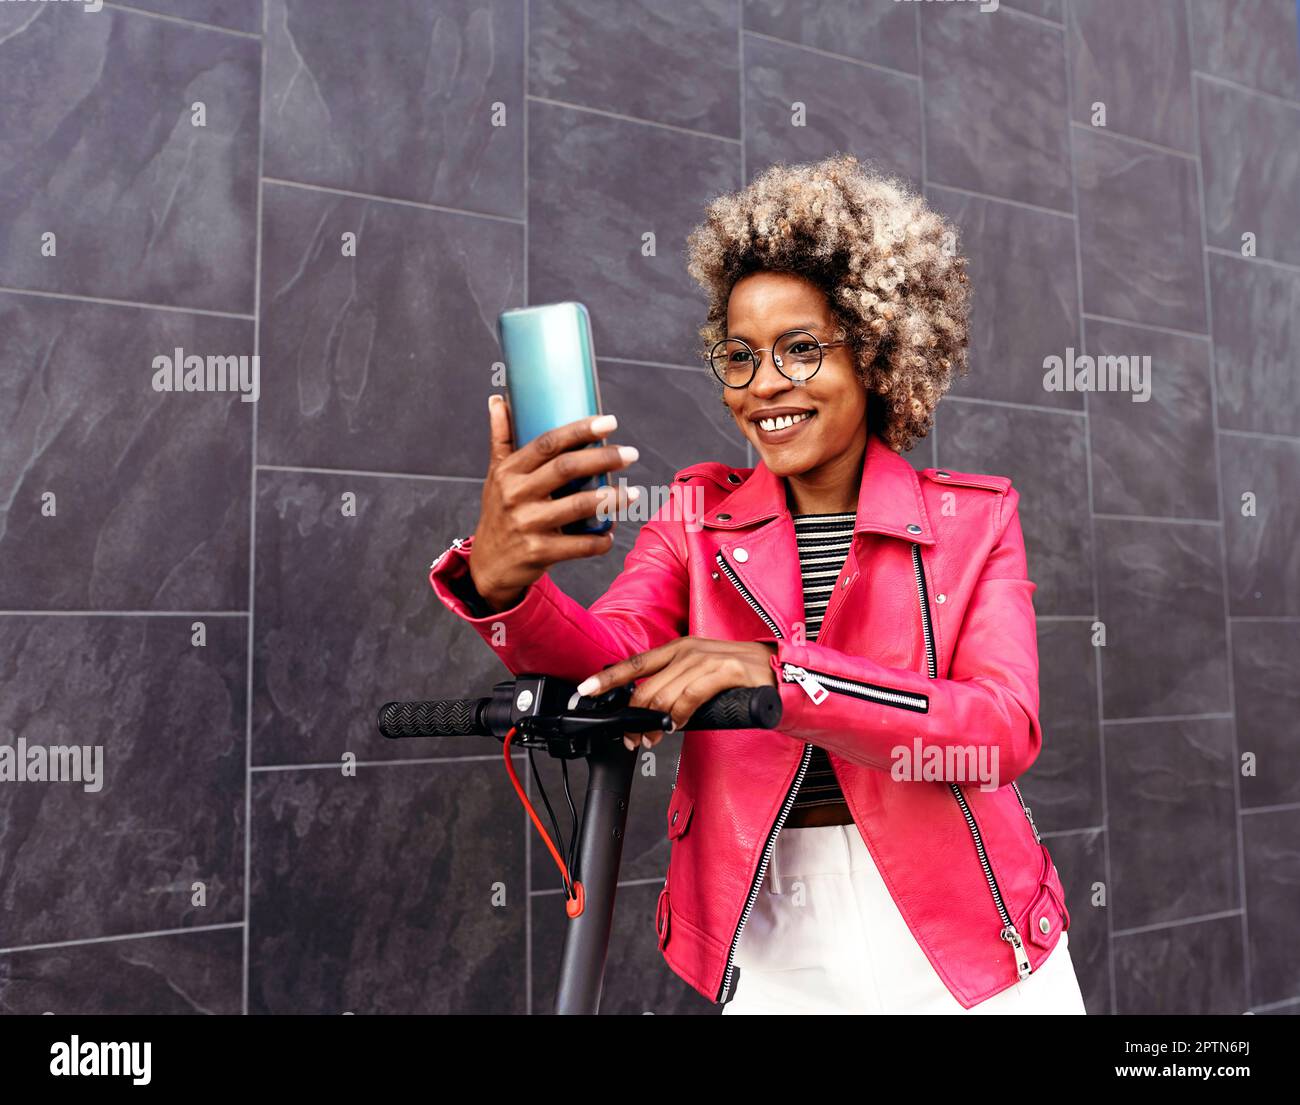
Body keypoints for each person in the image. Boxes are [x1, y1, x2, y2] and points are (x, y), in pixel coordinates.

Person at [429, 152, 1086, 1014]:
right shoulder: (696, 516)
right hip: (773, 938)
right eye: (739, 355)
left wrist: (781, 674)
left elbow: (999, 731)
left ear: (880, 349)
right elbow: (615, 658)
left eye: (801, 348)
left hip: (972, 938)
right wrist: (500, 583)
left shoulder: (977, 520)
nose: (764, 384)